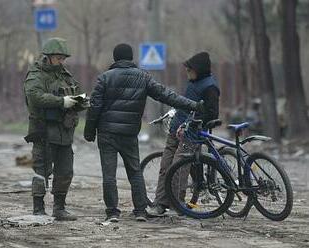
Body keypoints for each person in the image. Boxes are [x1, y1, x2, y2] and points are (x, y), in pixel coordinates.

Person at [83, 43, 203, 222]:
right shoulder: (143, 77)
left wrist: (89, 131)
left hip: (107, 133)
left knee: (109, 174)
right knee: (134, 171)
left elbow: (95, 107)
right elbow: (166, 95)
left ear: (115, 58)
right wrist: (193, 105)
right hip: (129, 134)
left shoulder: (104, 78)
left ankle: (113, 213)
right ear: (131, 57)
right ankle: (140, 210)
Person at [147, 52, 220, 216]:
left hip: (191, 134)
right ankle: (160, 203)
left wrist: (188, 125)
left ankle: (177, 204)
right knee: (165, 166)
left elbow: (211, 114)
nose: (187, 73)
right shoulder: (193, 83)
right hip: (176, 129)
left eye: (189, 70)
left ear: (198, 69)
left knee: (178, 168)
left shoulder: (210, 87)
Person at [24, 37, 86, 221]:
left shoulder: (65, 75)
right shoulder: (36, 75)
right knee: (41, 170)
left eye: (63, 58)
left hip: (65, 132)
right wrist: (61, 102)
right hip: (44, 131)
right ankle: (38, 208)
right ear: (48, 56)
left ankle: (59, 208)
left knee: (65, 171)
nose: (61, 61)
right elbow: (35, 97)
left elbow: (75, 92)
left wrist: (80, 102)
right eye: (58, 58)